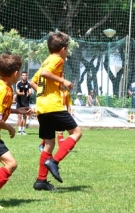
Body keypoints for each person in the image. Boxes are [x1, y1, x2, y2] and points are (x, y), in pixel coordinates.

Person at [30, 31, 82, 192]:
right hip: (53, 106)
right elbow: (45, 75)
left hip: (42, 107)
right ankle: (55, 161)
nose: (67, 53)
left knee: (49, 143)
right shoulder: (58, 59)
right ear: (63, 48)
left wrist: (42, 94)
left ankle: (41, 180)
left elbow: (34, 81)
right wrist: (63, 81)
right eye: (67, 49)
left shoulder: (46, 61)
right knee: (76, 133)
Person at [0, 54, 33, 203]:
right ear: (15, 74)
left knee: (11, 163)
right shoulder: (5, 90)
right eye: (19, 71)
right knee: (11, 164)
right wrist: (9, 128)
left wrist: (17, 111)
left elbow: (2, 110)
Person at [38, 85, 72, 151]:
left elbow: (68, 104)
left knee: (60, 131)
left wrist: (68, 114)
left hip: (60, 113)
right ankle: (42, 144)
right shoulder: (53, 90)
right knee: (50, 133)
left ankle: (62, 148)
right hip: (51, 111)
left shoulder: (66, 93)